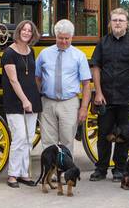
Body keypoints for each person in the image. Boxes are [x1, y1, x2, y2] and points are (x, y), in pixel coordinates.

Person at [89, 8, 129, 181]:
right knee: (104, 134)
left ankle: (119, 169)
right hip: (105, 98)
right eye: (115, 20)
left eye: (121, 20)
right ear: (110, 23)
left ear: (127, 23)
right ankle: (101, 168)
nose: (118, 23)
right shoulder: (103, 43)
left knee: (124, 135)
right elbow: (96, 67)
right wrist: (98, 92)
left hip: (125, 98)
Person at [35, 19, 92, 153]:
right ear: (56, 36)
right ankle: (51, 173)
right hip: (47, 102)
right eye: (61, 38)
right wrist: (37, 100)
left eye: (67, 38)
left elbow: (86, 84)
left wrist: (84, 108)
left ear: (71, 37)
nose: (64, 41)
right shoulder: (44, 54)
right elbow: (37, 78)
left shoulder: (79, 56)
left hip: (69, 104)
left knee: (67, 141)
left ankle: (67, 173)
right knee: (49, 142)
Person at [1, 20, 43, 188]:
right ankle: (12, 174)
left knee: (28, 138)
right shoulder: (9, 53)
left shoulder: (30, 51)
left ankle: (24, 173)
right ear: (18, 31)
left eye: (29, 31)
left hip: (32, 98)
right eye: (24, 30)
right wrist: (24, 100)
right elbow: (13, 80)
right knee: (18, 138)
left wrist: (32, 98)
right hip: (15, 100)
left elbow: (31, 76)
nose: (26, 32)